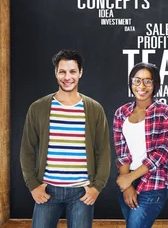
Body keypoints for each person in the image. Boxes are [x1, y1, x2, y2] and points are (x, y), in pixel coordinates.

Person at [20, 49, 111, 228]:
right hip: (47, 191)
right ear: (56, 73)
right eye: (62, 71)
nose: (67, 77)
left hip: (82, 193)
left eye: (72, 71)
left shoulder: (94, 109)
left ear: (80, 73)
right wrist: (33, 186)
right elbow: (27, 150)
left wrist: (97, 187)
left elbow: (104, 151)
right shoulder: (38, 108)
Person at [113, 62, 168, 227]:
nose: (141, 86)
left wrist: (128, 179)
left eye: (148, 81)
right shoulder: (121, 113)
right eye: (137, 80)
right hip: (126, 180)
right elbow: (121, 151)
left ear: (155, 84)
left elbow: (161, 153)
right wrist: (126, 186)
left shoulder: (165, 112)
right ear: (131, 82)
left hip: (153, 182)